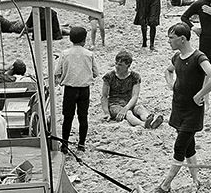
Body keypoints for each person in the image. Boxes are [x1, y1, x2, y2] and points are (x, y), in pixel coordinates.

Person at [156, 23, 211, 193]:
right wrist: (171, 84)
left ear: (182, 39)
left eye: (171, 38)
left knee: (179, 146)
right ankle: (196, 180)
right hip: (178, 107)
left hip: (193, 110)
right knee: (188, 147)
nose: (168, 41)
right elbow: (168, 72)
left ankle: (166, 184)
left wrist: (200, 95)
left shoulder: (199, 57)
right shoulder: (177, 57)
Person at [54, 26, 99, 157]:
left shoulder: (65, 53)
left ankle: (65, 145)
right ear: (84, 40)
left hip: (69, 89)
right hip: (84, 89)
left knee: (68, 117)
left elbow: (57, 72)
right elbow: (95, 73)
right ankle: (81, 144)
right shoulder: (89, 54)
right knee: (83, 117)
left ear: (70, 39)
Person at [101, 50, 163, 128]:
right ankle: (143, 124)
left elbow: (135, 96)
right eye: (116, 63)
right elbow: (104, 96)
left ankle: (150, 120)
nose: (117, 66)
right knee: (129, 114)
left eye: (120, 65)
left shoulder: (134, 76)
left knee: (140, 109)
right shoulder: (109, 76)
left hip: (129, 103)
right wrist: (107, 112)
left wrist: (126, 108)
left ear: (128, 65)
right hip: (114, 104)